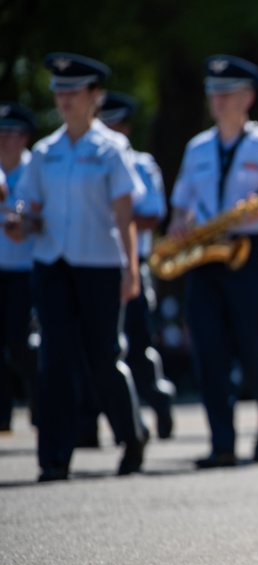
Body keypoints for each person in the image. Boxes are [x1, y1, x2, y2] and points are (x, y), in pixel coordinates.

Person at [6, 53, 149, 481]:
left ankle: (131, 436)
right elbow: (29, 210)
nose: (63, 99)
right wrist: (19, 222)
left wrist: (131, 266)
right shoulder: (45, 153)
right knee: (55, 359)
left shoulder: (111, 150)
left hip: (100, 265)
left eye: (72, 91)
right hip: (53, 265)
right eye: (58, 91)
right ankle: (54, 456)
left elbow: (125, 214)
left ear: (94, 96)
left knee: (102, 359)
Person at [168, 54, 258, 468]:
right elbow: (180, 207)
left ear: (247, 97)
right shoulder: (197, 148)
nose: (218, 101)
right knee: (208, 352)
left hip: (248, 255)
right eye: (213, 93)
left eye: (227, 94)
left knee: (252, 349)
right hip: (206, 258)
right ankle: (222, 444)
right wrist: (179, 227)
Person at [77, 92, 176, 446]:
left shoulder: (142, 164)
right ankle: (88, 426)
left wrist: (113, 214)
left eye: (114, 123)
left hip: (133, 263)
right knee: (91, 350)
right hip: (94, 263)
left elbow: (152, 216)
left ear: (125, 127)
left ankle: (158, 399)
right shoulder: (82, 158)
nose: (108, 129)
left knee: (136, 346)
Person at [0, 102, 39, 433]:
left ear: (24, 137)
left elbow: (26, 205)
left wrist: (17, 216)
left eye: (11, 133)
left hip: (25, 269)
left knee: (21, 342)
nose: (3, 139)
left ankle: (39, 404)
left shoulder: (32, 169)